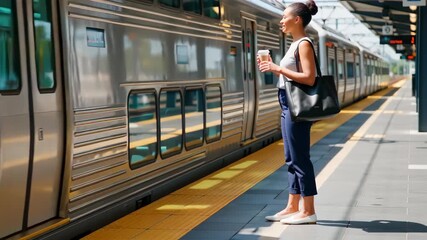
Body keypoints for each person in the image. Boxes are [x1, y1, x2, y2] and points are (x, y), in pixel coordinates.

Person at [258, 0, 318, 225]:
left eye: (284, 17)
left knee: (300, 157)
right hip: (286, 102)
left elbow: (310, 78)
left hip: (295, 106)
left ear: (297, 20)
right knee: (290, 157)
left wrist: (277, 68)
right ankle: (292, 206)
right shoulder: (294, 44)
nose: (281, 21)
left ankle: (308, 211)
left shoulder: (304, 44)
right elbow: (291, 77)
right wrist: (275, 68)